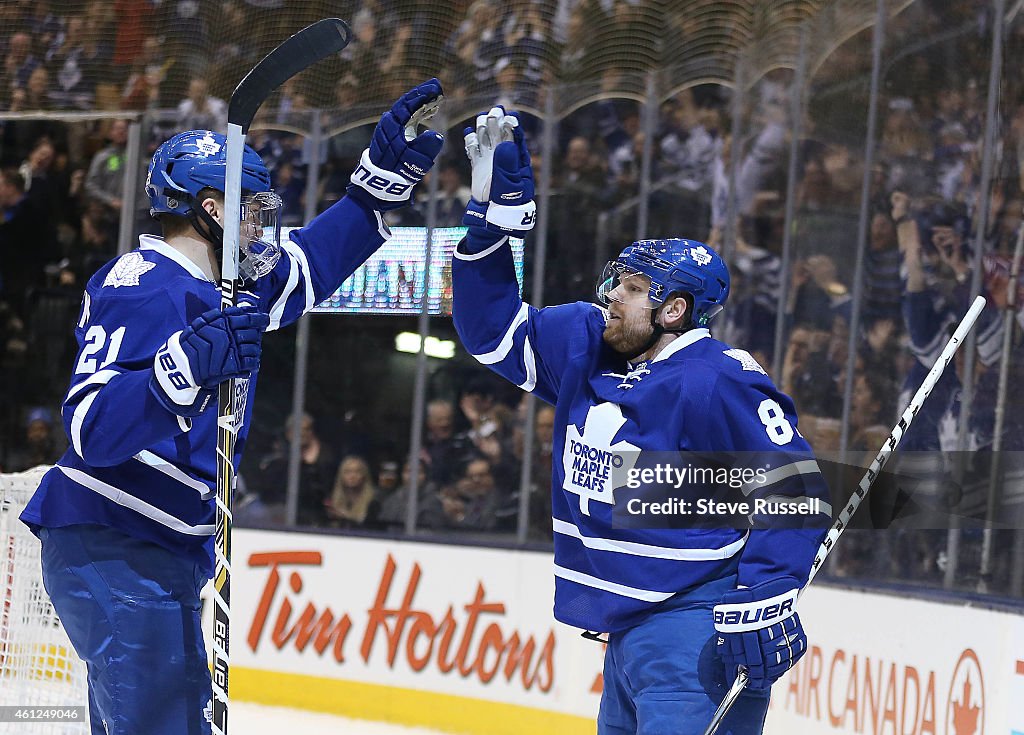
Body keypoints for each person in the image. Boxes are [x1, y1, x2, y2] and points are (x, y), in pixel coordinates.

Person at [19, 79, 445, 735]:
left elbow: (306, 268)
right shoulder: (146, 283)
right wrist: (181, 367)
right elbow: (88, 427)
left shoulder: (223, 288)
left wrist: (375, 184)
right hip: (115, 540)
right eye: (250, 210)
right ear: (211, 208)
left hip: (152, 548)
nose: (261, 225)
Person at [451, 106, 829, 734]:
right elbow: (489, 329)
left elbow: (793, 487)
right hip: (626, 633)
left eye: (628, 288)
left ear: (674, 309)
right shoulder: (587, 348)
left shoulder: (718, 378)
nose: (611, 298)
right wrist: (494, 228)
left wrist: (764, 598)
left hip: (695, 630)